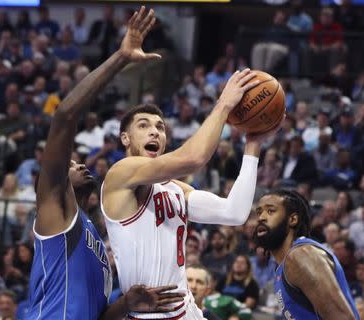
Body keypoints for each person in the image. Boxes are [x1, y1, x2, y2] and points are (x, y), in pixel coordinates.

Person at [102, 35, 281, 320]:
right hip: (148, 315)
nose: (154, 132)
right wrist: (223, 104)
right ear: (125, 138)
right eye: (144, 125)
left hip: (188, 311)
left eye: (160, 127)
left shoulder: (175, 189)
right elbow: (194, 158)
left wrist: (253, 146)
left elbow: (234, 213)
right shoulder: (119, 175)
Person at [26, 6, 184, 320]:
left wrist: (126, 303)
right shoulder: (54, 214)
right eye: (70, 165)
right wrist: (121, 58)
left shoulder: (95, 236)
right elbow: (65, 116)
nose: (79, 164)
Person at [253, 189, 360, 319]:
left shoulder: (302, 255)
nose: (261, 218)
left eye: (270, 211)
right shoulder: (284, 264)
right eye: (259, 212)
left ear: (292, 219)